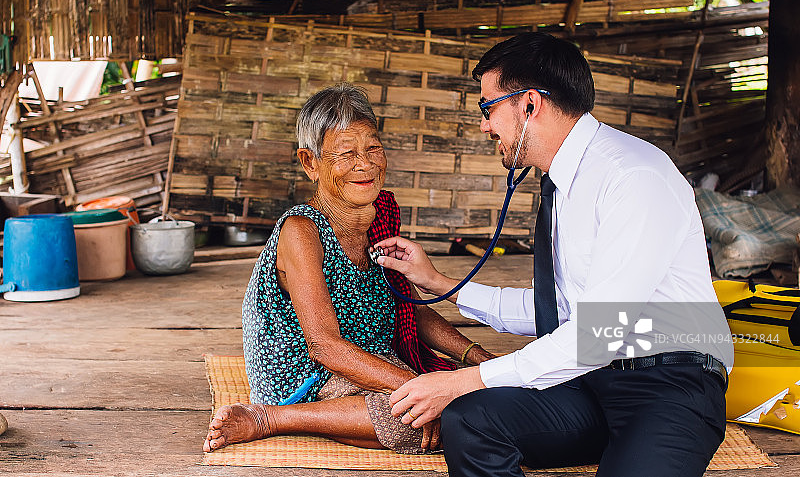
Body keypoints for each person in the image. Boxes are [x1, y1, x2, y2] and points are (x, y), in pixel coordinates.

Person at [374, 33, 735, 477]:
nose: (485, 125)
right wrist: (442, 285)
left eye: (489, 108)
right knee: (470, 421)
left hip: (669, 383)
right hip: (593, 379)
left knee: (466, 396)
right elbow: (560, 310)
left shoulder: (633, 176)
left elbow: (601, 332)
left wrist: (464, 379)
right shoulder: (562, 184)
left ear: (529, 104)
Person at [203, 83, 495, 455]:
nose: (365, 164)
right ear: (311, 163)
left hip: (369, 361)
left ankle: (366, 411)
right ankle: (271, 418)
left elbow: (412, 310)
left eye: (373, 147)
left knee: (473, 404)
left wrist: (478, 359)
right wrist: (418, 387)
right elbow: (324, 347)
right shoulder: (302, 231)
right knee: (421, 417)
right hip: (311, 375)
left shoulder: (380, 214)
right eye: (345, 153)